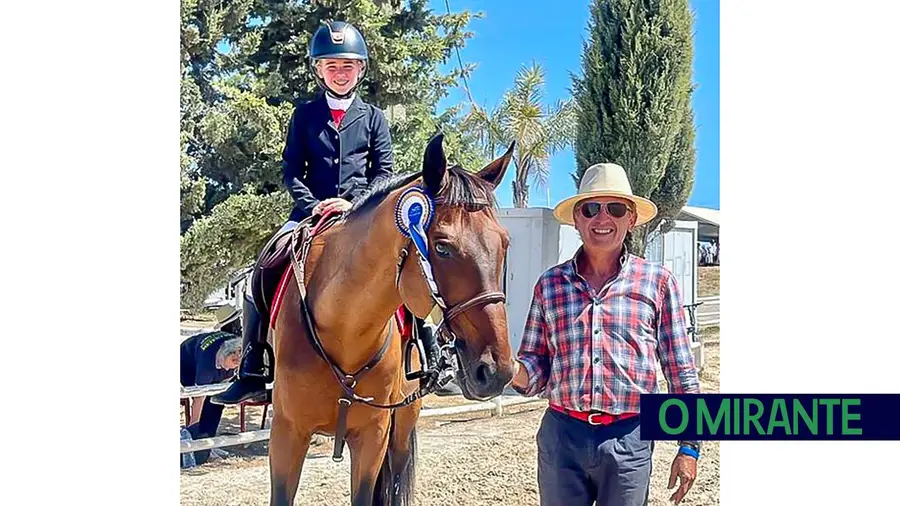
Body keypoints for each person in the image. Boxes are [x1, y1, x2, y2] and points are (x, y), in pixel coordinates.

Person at [211, 20, 438, 406]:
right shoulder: (304, 116)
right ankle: (252, 367)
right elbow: (290, 170)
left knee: (406, 265)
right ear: (318, 70)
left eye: (348, 65)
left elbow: (383, 172)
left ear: (361, 69)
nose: (340, 73)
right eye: (332, 66)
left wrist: (354, 203)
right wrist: (313, 205)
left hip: (361, 216)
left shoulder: (374, 118)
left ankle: (427, 354)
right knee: (262, 269)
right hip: (310, 213)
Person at [509, 163, 702, 506]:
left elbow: (681, 372)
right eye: (591, 209)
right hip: (561, 436)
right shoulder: (550, 285)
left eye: (614, 208)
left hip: (631, 437)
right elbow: (536, 365)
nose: (602, 219)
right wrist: (511, 370)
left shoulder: (657, 283)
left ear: (630, 220)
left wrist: (689, 447)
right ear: (577, 220)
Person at [180, 305, 243, 465]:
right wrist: (193, 428)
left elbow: (228, 380)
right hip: (186, 362)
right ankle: (198, 441)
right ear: (222, 358)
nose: (234, 364)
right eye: (232, 362)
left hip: (214, 362)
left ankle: (209, 443)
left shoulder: (235, 351)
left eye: (237, 360)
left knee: (216, 401)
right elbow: (198, 397)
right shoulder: (207, 367)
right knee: (204, 401)